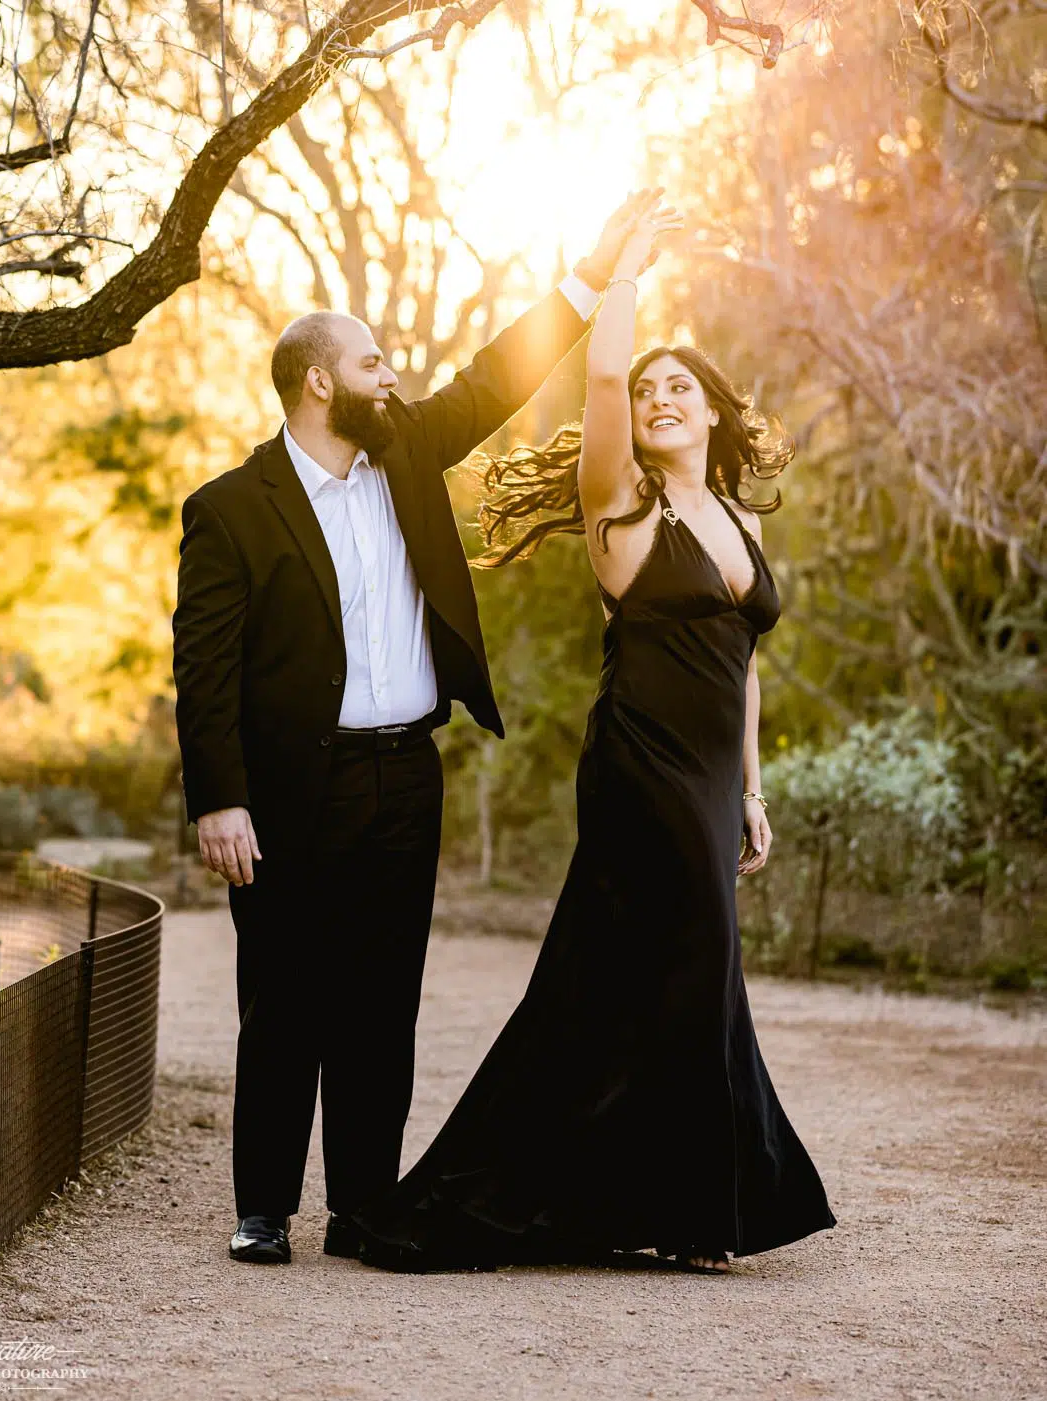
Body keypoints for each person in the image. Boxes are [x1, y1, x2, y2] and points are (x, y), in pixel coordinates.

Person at [173, 190, 668, 1266]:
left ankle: (361, 1203)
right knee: (285, 1002)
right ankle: (263, 1208)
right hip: (296, 790)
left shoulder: (408, 453)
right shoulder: (231, 508)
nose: (392, 375)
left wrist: (589, 274)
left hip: (409, 776)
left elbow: (500, 373)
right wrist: (221, 797)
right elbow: (202, 669)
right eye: (373, 363)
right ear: (318, 381)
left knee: (380, 1005)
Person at [350, 199, 835, 1273]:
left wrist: (753, 790)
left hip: (710, 779)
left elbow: (742, 668)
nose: (660, 397)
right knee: (699, 959)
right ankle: (699, 1211)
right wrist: (620, 276)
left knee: (622, 979)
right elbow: (604, 382)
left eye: (680, 388)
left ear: (711, 411)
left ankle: (638, 1199)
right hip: (639, 766)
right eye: (650, 389)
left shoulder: (745, 525)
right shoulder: (619, 507)